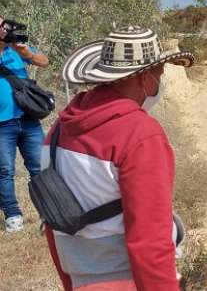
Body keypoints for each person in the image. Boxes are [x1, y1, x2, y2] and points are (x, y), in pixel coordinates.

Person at [44, 26, 194, 291]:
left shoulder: (59, 129)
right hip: (126, 279)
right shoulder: (140, 135)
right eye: (159, 72)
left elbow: (54, 220)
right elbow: (150, 243)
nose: (161, 80)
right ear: (143, 78)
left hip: (79, 276)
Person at [0, 17, 50, 233]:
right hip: (2, 124)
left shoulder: (17, 49)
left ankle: (48, 212)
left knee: (39, 168)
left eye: (4, 26)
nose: (5, 30)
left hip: (28, 119)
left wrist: (27, 54)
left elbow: (44, 61)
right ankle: (13, 216)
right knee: (5, 171)